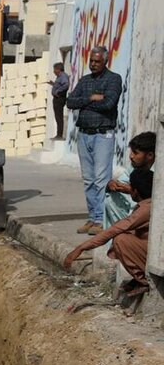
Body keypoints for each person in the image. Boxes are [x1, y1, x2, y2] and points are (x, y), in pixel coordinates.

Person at [64, 167, 153, 298]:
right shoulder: (150, 202)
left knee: (121, 239)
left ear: (135, 191)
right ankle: (139, 276)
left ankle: (144, 281)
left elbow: (114, 230)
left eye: (131, 187)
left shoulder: (145, 210)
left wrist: (81, 248)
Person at [66, 46, 123, 236]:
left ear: (105, 61)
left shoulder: (113, 79)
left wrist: (84, 103)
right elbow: (70, 102)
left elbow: (109, 104)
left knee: (101, 179)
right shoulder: (85, 81)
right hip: (84, 134)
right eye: (91, 61)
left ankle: (101, 220)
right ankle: (92, 217)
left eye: (97, 61)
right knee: (89, 180)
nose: (93, 64)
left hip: (102, 135)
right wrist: (91, 98)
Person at [104, 132, 155, 229]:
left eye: (135, 153)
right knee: (110, 197)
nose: (131, 156)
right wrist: (111, 184)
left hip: (148, 211)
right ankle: (119, 230)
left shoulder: (159, 173)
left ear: (150, 155)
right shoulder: (133, 166)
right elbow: (122, 181)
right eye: (131, 152)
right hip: (134, 207)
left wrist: (130, 190)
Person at [48, 62, 70, 140]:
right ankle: (58, 134)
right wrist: (53, 84)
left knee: (59, 117)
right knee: (57, 117)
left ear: (58, 69)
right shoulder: (60, 77)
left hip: (59, 99)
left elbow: (66, 85)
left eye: (54, 69)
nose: (54, 71)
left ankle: (59, 135)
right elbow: (60, 85)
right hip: (57, 98)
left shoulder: (63, 76)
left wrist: (58, 91)